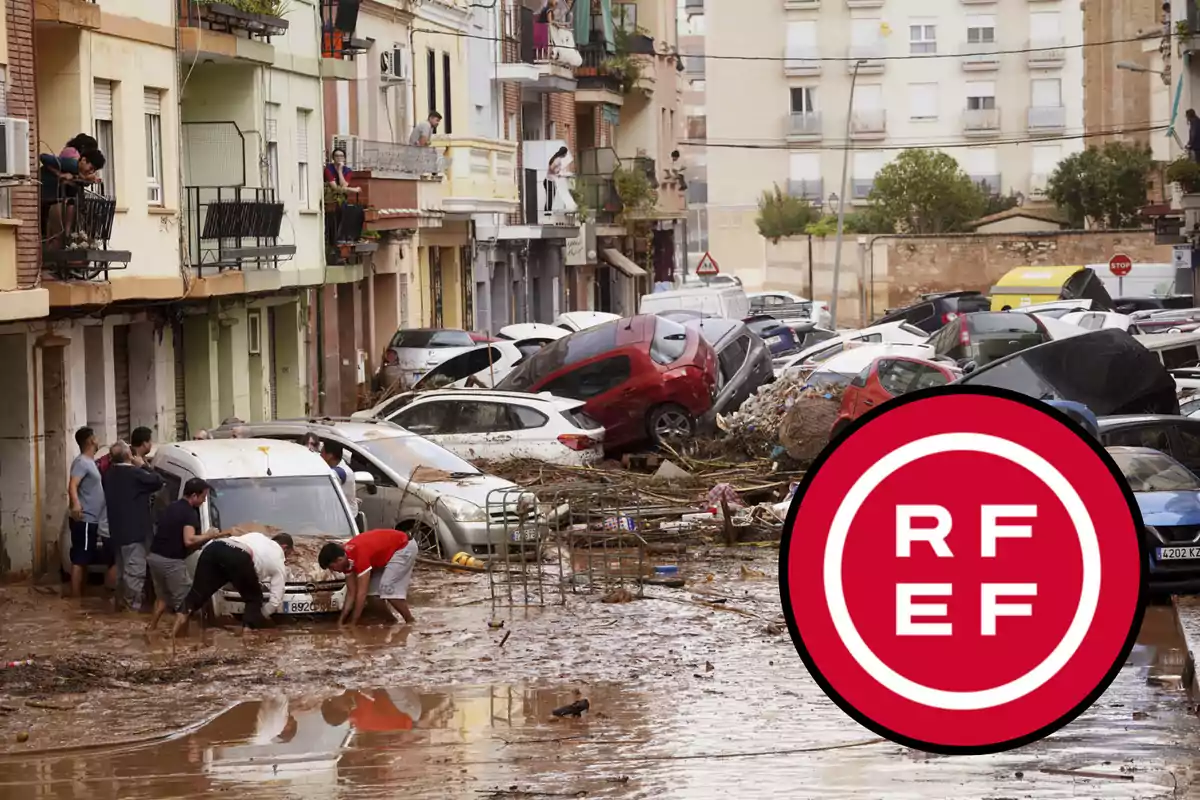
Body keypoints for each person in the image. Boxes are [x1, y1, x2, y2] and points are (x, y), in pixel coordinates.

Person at [172, 530, 295, 637]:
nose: (287, 557)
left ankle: (176, 638)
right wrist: (259, 617)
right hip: (239, 556)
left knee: (196, 595)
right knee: (254, 599)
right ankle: (247, 638)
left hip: (214, 547)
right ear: (284, 547)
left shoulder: (258, 536)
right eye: (289, 553)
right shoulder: (279, 562)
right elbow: (275, 601)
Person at [146, 478, 227, 631]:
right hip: (171, 562)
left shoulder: (171, 507)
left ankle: (151, 630)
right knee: (185, 603)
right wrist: (210, 535)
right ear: (194, 496)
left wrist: (201, 540)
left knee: (162, 597)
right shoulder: (189, 513)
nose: (204, 501)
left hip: (154, 557)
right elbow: (189, 540)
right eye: (203, 497)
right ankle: (179, 640)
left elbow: (174, 536)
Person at [102, 441, 164, 612]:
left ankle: (120, 607)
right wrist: (144, 465)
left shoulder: (109, 474)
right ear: (128, 455)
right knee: (135, 574)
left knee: (122, 573)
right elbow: (159, 481)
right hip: (135, 534)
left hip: (117, 532)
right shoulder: (134, 474)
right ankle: (132, 611)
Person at [319, 529, 418, 626]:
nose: (333, 571)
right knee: (372, 595)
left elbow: (361, 594)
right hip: (386, 555)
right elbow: (351, 594)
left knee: (387, 589)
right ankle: (391, 621)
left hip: (404, 546)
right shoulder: (346, 560)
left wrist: (353, 623)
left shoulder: (359, 556)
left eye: (332, 567)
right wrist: (340, 622)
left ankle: (410, 621)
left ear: (339, 560)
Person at [68, 426, 109, 598]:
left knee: (85, 560)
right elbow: (72, 485)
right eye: (96, 437)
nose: (98, 439)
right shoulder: (81, 462)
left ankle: (81, 596)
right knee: (80, 560)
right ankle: (76, 600)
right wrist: (76, 504)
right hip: (85, 519)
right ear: (91, 440)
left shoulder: (90, 461)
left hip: (92, 520)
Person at [321, 439, 358, 515]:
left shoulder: (338, 472)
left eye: (322, 452)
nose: (320, 455)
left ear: (329, 456)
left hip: (346, 518)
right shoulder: (342, 465)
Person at [545, 146, 568, 213]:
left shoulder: (556, 158)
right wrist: (557, 173)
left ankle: (547, 214)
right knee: (550, 199)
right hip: (550, 181)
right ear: (564, 153)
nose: (566, 155)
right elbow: (551, 168)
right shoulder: (558, 159)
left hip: (550, 180)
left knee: (550, 199)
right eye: (566, 153)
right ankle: (547, 215)